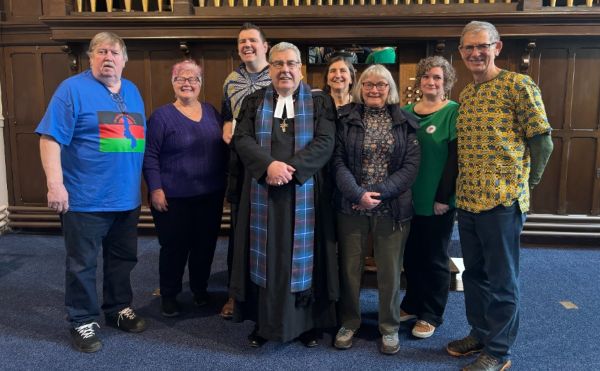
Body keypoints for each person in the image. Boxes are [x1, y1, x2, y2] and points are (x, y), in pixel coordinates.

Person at [447, 21, 553, 371]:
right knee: (474, 276)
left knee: (502, 279)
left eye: (482, 46)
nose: (475, 53)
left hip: (502, 202)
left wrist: (526, 185)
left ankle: (499, 351)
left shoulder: (518, 85)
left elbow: (542, 141)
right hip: (469, 201)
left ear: (497, 47)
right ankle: (480, 333)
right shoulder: (467, 94)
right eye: (468, 48)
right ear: (461, 52)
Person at [36, 32, 147, 353]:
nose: (107, 57)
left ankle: (117, 309)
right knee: (82, 263)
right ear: (90, 57)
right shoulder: (72, 90)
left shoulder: (132, 90)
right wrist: (55, 184)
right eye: (100, 51)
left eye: (114, 52)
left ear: (125, 59)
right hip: (85, 199)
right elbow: (49, 138)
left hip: (126, 199)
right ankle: (82, 319)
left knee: (122, 259)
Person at [230, 42, 338, 348]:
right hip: (264, 194)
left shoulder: (320, 103)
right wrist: (269, 167)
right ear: (270, 69)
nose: (285, 70)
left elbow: (326, 142)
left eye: (291, 63)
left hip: (304, 196)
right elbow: (242, 138)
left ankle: (306, 325)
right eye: (278, 64)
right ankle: (264, 325)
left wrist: (288, 169)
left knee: (303, 261)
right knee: (266, 258)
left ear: (301, 68)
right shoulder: (254, 102)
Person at [332, 64, 420, 354]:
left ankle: (389, 327)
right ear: (360, 87)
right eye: (368, 84)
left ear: (390, 88)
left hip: (391, 207)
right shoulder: (345, 119)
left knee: (390, 272)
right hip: (351, 205)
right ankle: (349, 322)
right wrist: (358, 194)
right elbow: (337, 161)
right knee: (350, 269)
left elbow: (410, 166)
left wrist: (378, 194)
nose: (374, 89)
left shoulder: (405, 121)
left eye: (381, 84)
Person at [143, 60, 227, 317]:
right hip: (173, 198)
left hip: (209, 195)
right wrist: (155, 188)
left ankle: (200, 290)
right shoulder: (161, 116)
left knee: (205, 247)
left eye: (193, 79)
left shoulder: (213, 113)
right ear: (173, 83)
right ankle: (169, 294)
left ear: (201, 84)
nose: (187, 83)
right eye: (181, 78)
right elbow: (150, 156)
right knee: (175, 248)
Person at [400, 56, 459, 339]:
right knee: (411, 256)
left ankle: (431, 313)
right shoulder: (406, 111)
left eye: (437, 77)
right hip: (407, 199)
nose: (431, 82)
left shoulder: (453, 112)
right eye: (426, 77)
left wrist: (444, 197)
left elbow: (454, 159)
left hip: (438, 200)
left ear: (446, 82)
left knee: (435, 258)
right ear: (419, 81)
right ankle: (412, 303)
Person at [220, 23, 272, 319]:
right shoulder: (231, 79)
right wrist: (226, 126)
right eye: (242, 41)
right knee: (239, 230)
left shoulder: (276, 75)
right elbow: (227, 117)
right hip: (240, 163)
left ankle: (265, 293)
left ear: (265, 45)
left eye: (253, 40)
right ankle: (235, 293)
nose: (247, 45)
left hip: (269, 160)